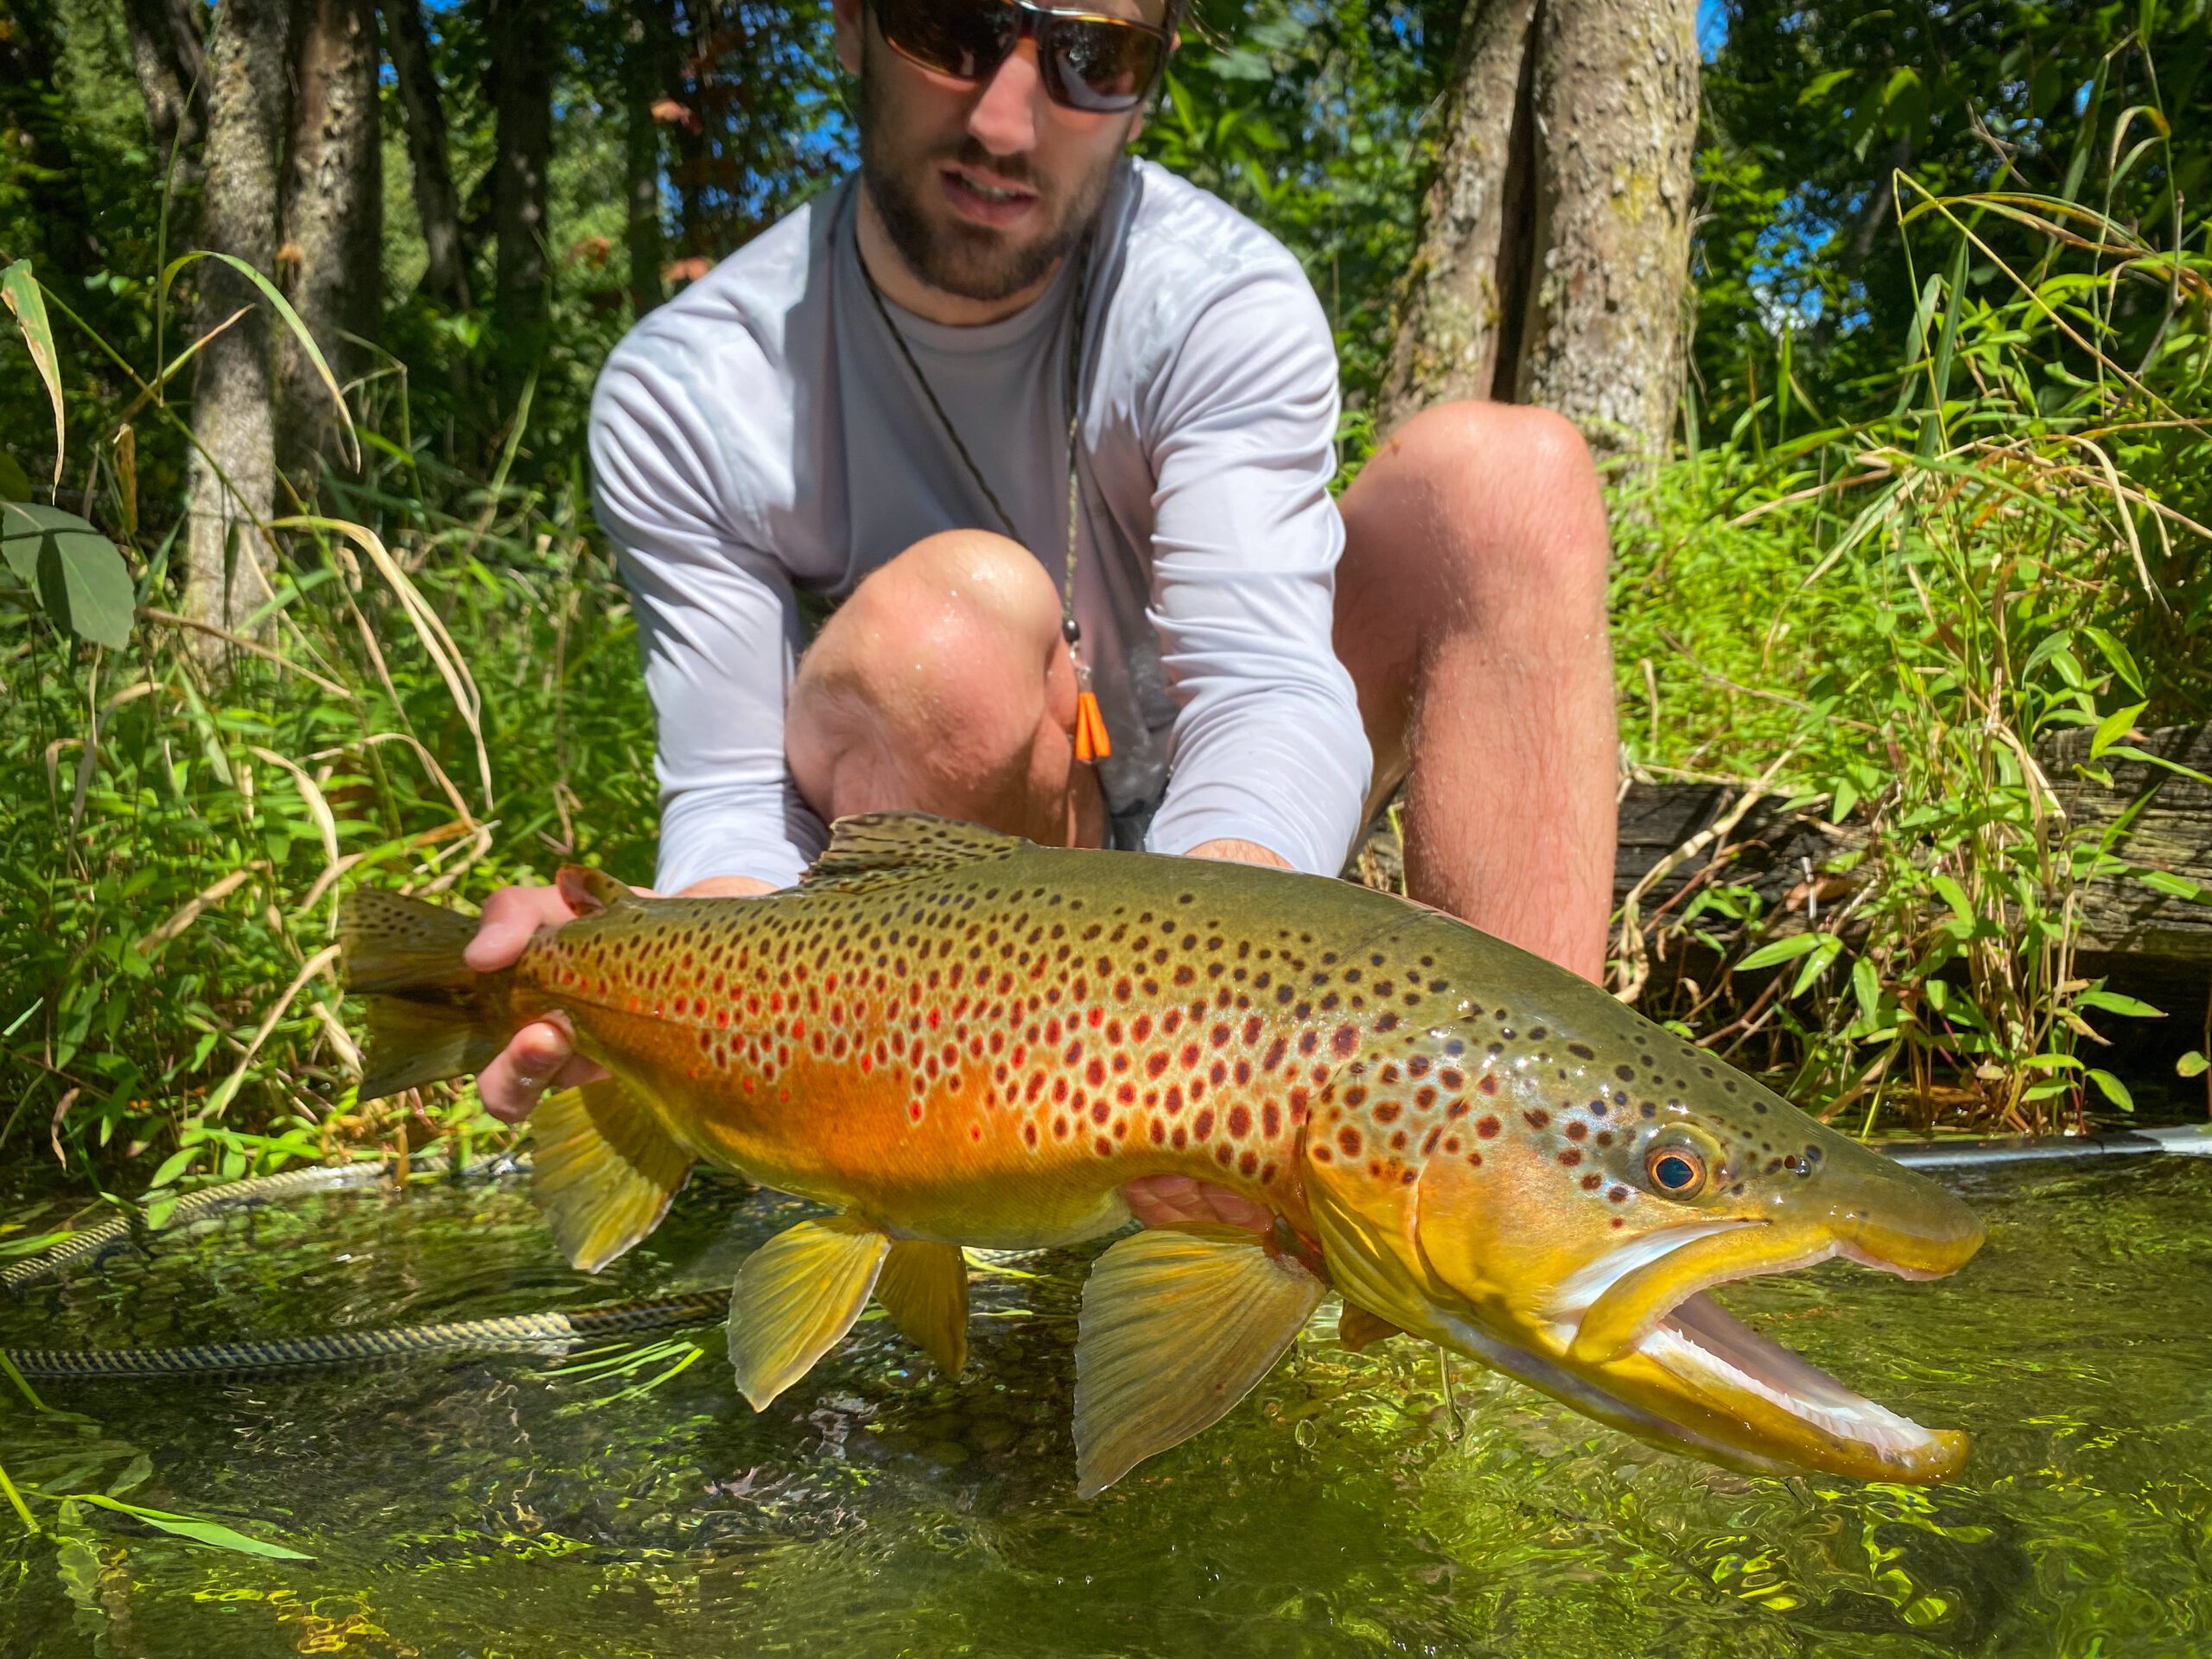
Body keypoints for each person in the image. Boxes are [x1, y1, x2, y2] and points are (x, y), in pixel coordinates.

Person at [461, 0, 1618, 1218]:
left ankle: (1536, 1183)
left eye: (1092, 56)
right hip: (950, 912)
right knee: (949, 636)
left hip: (1226, 874)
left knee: (1507, 482)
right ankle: (945, 1198)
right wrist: (657, 978)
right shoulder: (691, 390)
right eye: (950, 28)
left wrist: (1195, 1020)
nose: (1007, 120)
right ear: (851, 25)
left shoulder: (1217, 301)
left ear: (1151, 77)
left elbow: (1272, 691)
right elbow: (737, 805)